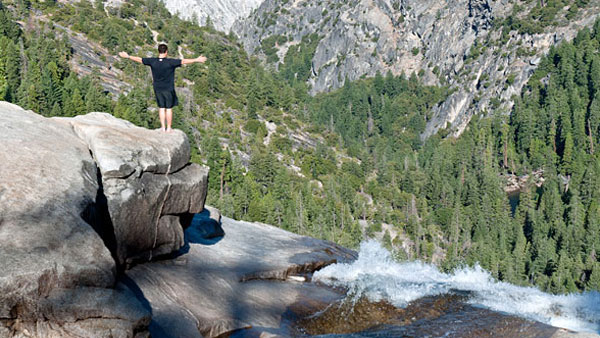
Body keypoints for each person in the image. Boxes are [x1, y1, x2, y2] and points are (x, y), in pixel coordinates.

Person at [118, 44, 207, 132]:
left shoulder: (152, 61)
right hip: (168, 88)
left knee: (161, 107)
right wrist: (197, 59)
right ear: (166, 52)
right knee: (168, 108)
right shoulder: (170, 62)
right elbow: (183, 61)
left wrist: (128, 56)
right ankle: (168, 128)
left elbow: (140, 59)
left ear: (158, 51)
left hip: (157, 88)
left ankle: (163, 128)